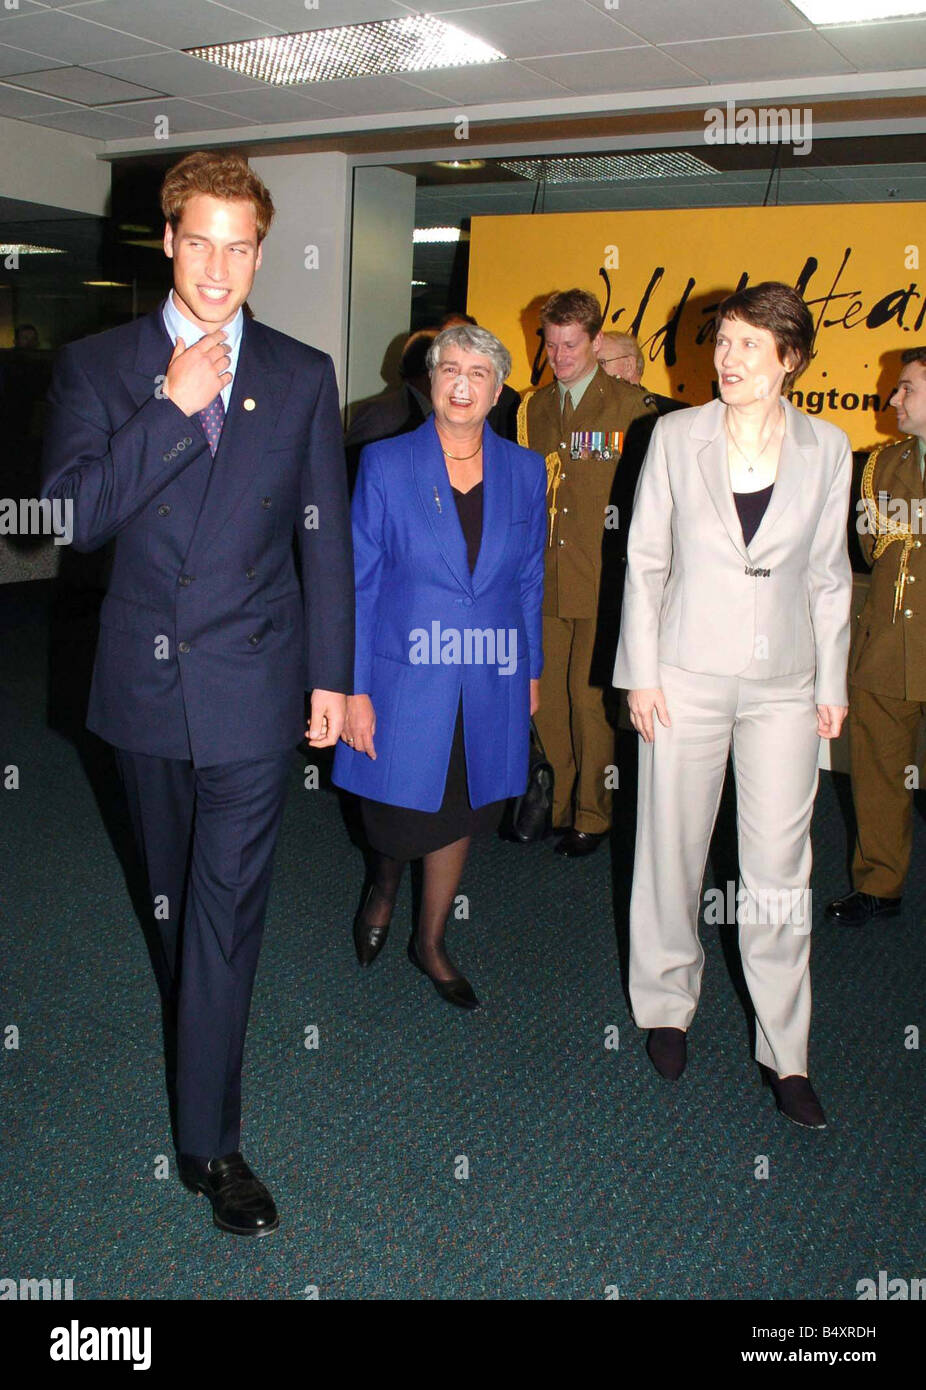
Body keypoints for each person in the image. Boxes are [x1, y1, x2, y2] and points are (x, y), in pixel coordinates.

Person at [41, 150, 354, 1235]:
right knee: (177, 910)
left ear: (261, 250)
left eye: (242, 244)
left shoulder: (303, 373)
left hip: (257, 691)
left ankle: (213, 1146)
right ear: (168, 240)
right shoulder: (100, 367)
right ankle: (197, 1028)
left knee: (224, 918)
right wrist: (170, 411)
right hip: (144, 688)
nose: (220, 267)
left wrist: (331, 677)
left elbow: (326, 537)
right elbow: (72, 519)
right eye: (201, 240)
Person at [614, 281, 853, 1129]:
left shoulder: (830, 447)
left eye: (750, 345)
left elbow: (828, 575)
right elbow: (644, 561)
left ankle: (786, 1052)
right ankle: (667, 1005)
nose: (728, 358)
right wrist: (640, 673)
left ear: (789, 358)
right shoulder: (675, 436)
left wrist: (833, 684)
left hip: (786, 683)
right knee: (671, 850)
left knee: (781, 872)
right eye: (722, 342)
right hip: (685, 675)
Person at [332, 324, 546, 1008]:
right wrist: (354, 687)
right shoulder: (387, 464)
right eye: (449, 367)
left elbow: (530, 580)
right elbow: (359, 584)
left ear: (497, 389)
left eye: (477, 372)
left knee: (458, 808)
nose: (461, 382)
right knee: (397, 810)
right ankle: (384, 883)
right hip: (402, 675)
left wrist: (532, 669)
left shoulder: (525, 469)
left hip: (489, 675)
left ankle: (430, 941)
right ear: (429, 379)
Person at [517, 289, 657, 856]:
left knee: (589, 702)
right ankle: (554, 801)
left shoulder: (632, 407)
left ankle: (594, 815)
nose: (560, 355)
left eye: (571, 344)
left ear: (597, 341)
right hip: (543, 579)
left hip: (601, 581)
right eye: (550, 344)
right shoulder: (533, 408)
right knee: (547, 700)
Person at [827, 346, 926, 926]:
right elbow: (870, 553)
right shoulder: (879, 466)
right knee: (878, 771)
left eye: (908, 389)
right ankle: (879, 884)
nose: (893, 399)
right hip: (887, 644)